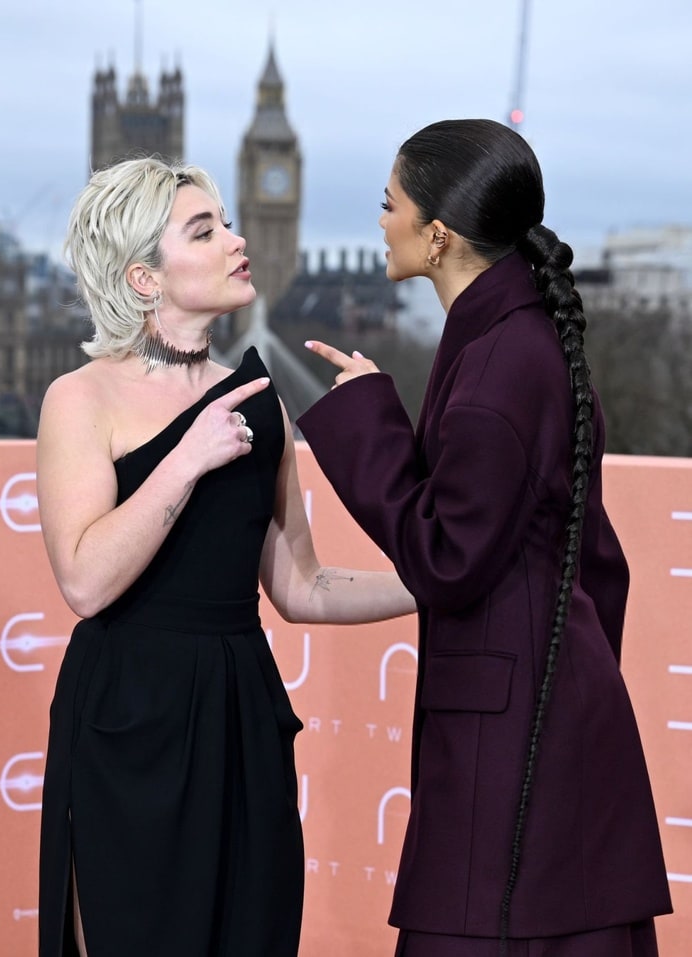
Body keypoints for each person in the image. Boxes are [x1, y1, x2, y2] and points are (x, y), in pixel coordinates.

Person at [297, 119, 672, 956]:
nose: (379, 220)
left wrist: (367, 415)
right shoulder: (523, 342)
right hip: (551, 723)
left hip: (511, 753)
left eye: (388, 203)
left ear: (436, 234)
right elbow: (596, 559)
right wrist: (570, 672)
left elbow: (445, 558)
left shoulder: (497, 367)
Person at [36, 155, 416, 957]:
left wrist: (437, 580)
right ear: (145, 278)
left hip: (241, 720)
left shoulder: (260, 395)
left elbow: (302, 585)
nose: (237, 240)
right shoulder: (81, 397)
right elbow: (84, 580)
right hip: (126, 722)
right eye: (204, 230)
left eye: (229, 222)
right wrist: (186, 456)